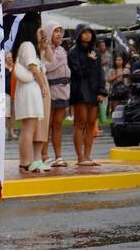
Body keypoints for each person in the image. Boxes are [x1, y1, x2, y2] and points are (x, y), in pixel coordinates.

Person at [13, 17, 50, 173]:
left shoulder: (28, 46)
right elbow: (33, 68)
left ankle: (27, 161)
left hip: (29, 89)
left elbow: (44, 59)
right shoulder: (27, 45)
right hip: (30, 89)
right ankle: (25, 161)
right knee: (28, 128)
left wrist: (42, 40)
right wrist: (43, 86)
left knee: (30, 127)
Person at [68, 25, 105, 166]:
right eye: (84, 32)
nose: (87, 35)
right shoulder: (73, 52)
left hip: (94, 90)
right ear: (78, 34)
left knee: (91, 124)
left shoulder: (95, 52)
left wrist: (102, 91)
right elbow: (78, 73)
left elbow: (100, 72)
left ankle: (88, 155)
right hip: (79, 91)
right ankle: (80, 157)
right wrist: (89, 61)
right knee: (80, 123)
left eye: (90, 32)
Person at [41, 25, 70, 167]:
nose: (59, 34)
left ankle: (59, 156)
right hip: (50, 90)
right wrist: (58, 60)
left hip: (63, 91)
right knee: (47, 125)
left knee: (58, 125)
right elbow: (45, 67)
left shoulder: (62, 49)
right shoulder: (44, 49)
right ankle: (44, 155)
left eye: (60, 31)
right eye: (56, 31)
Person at [3, 49, 17, 140]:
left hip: (14, 93)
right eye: (8, 58)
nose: (10, 59)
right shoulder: (2, 68)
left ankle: (11, 131)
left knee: (13, 113)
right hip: (5, 94)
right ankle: (6, 131)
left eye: (11, 57)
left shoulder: (15, 67)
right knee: (5, 114)